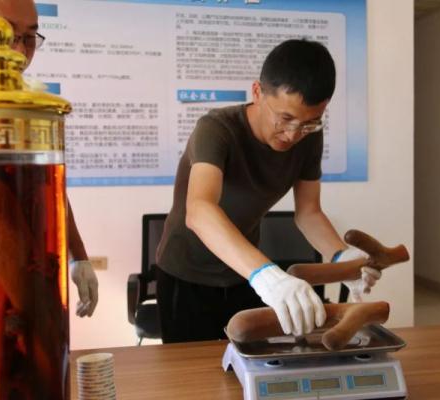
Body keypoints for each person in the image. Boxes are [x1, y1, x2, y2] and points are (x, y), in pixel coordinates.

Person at [156, 39, 382, 344]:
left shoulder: (308, 136)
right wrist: (267, 276)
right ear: (258, 92)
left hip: (244, 274)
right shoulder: (217, 129)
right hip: (187, 275)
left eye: (310, 122)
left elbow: (309, 213)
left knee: (247, 368)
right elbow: (200, 210)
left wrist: (341, 255)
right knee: (191, 379)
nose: (293, 135)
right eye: (285, 118)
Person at [0, 0, 98, 318]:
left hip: (25, 267)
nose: (20, 52)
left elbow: (49, 185)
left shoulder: (26, 100)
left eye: (29, 38)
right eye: (7, 35)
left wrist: (79, 256)